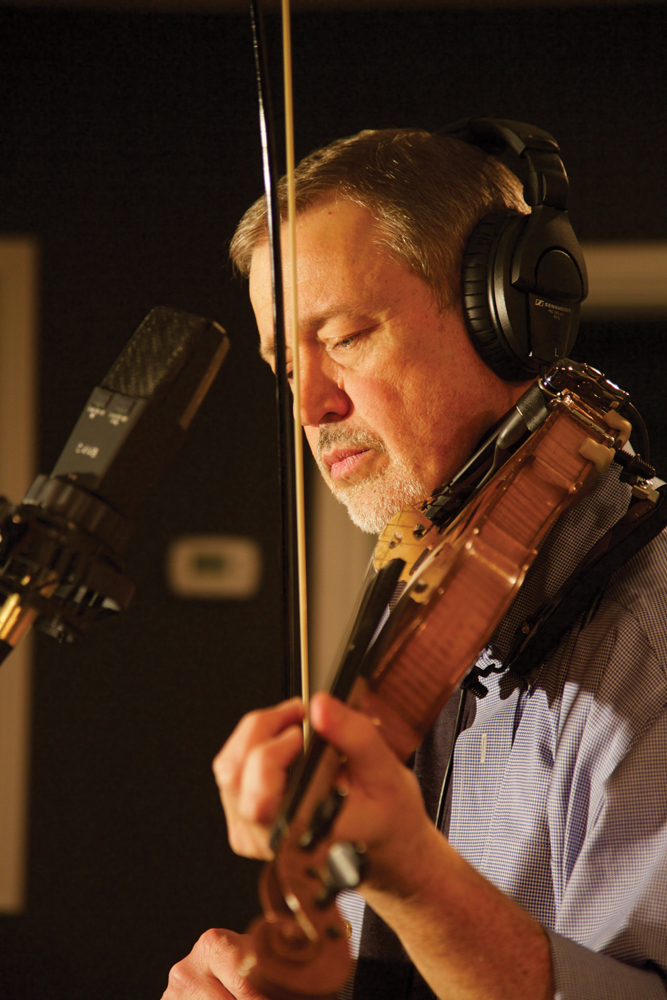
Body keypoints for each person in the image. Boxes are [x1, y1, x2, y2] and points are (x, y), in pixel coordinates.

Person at [161, 129, 667, 1000]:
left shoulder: (646, 637)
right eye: (288, 367)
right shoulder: (429, 613)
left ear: (508, 318)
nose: (312, 406)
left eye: (348, 336)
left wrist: (410, 875)